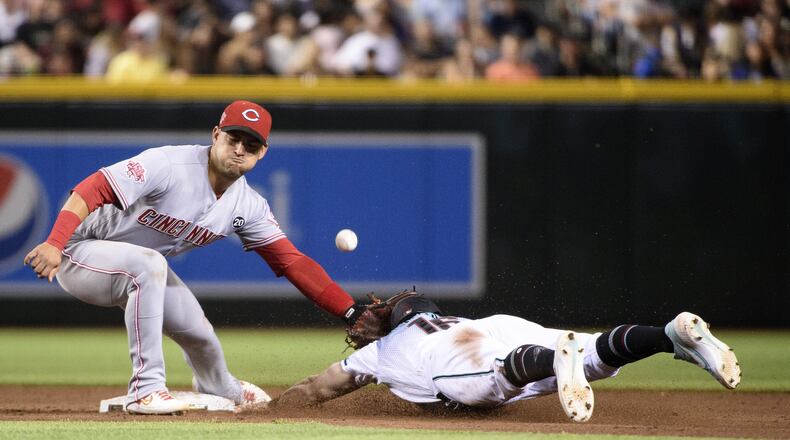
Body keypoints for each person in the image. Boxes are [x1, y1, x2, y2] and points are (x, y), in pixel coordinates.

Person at [23, 100, 370, 415]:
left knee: (198, 333)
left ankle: (221, 387)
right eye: (232, 138)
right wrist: (55, 242)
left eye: (250, 144)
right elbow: (92, 187)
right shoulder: (169, 164)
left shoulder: (249, 205)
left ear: (262, 152)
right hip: (78, 250)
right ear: (215, 134)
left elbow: (292, 262)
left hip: (139, 268)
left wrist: (350, 311)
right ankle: (145, 391)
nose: (239, 149)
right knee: (149, 265)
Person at [270, 292, 741, 423]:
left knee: (497, 375)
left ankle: (557, 359)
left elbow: (319, 388)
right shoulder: (449, 318)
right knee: (595, 350)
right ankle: (667, 335)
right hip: (495, 327)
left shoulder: (385, 348)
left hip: (453, 357)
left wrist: (276, 407)